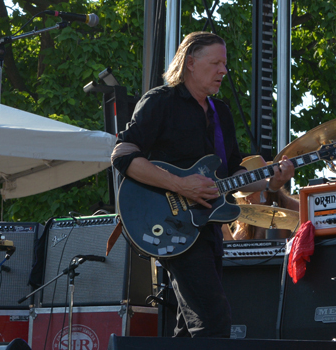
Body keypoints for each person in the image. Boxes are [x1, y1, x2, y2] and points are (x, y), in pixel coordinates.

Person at [111, 31, 294, 337]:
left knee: (189, 327)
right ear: (191, 63)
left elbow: (232, 177)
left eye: (225, 63)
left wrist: (271, 182)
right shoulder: (161, 102)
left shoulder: (220, 113)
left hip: (207, 229)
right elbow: (123, 154)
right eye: (216, 63)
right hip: (171, 225)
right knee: (213, 319)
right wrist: (180, 185)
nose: (224, 70)